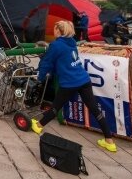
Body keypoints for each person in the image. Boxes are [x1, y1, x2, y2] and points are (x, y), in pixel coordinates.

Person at [31, 20, 117, 153]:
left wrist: (40, 78)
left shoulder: (55, 45)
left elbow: (47, 63)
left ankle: (38, 125)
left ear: (59, 31)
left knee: (56, 106)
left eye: (54, 29)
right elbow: (64, 61)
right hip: (84, 79)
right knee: (95, 109)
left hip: (69, 82)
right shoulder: (72, 42)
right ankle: (109, 141)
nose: (53, 31)